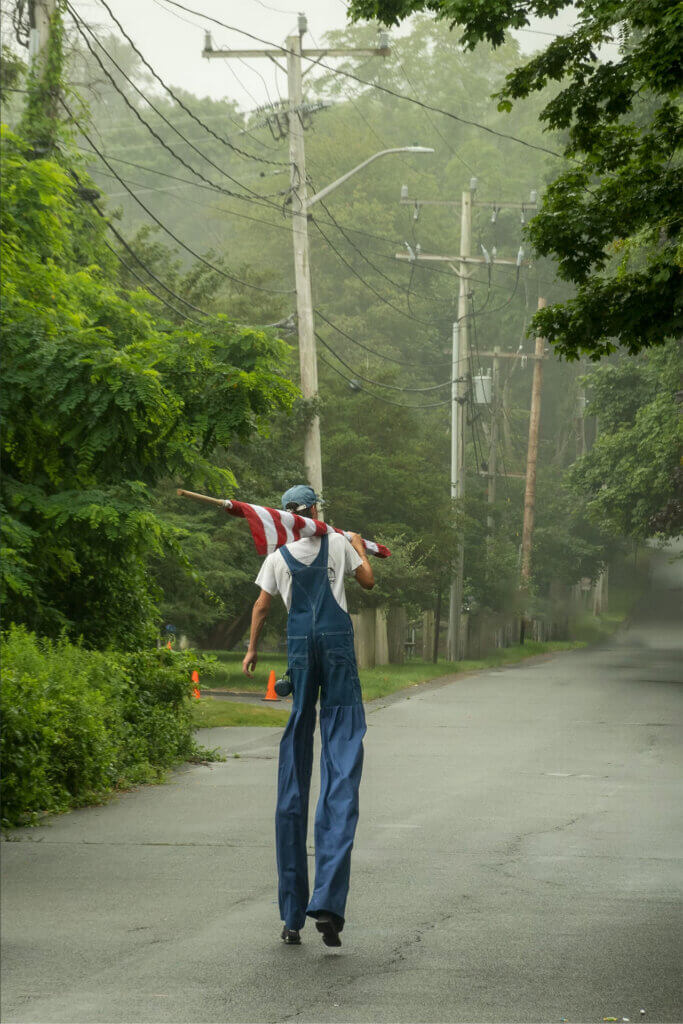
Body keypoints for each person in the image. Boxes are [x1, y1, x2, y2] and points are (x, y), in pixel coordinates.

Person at [242, 485, 375, 947]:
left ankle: (292, 915)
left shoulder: (277, 556)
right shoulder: (338, 541)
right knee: (340, 774)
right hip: (337, 655)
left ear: (287, 515)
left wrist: (253, 649)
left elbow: (261, 606)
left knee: (293, 782)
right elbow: (369, 582)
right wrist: (359, 547)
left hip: (300, 657)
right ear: (315, 510)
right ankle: (328, 904)